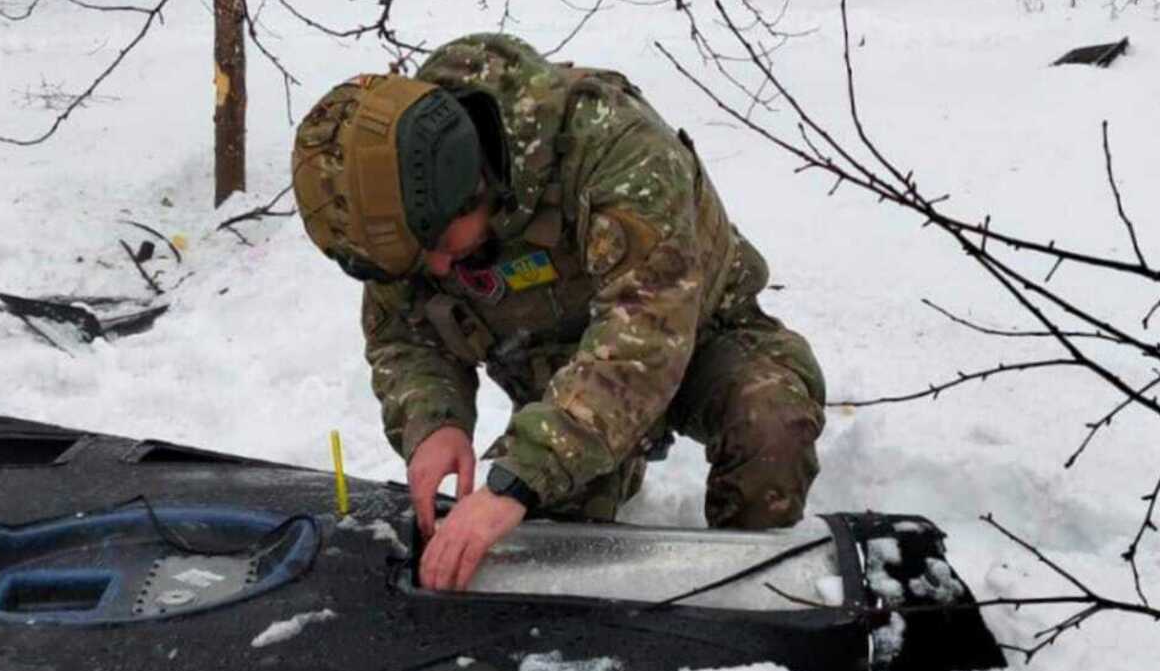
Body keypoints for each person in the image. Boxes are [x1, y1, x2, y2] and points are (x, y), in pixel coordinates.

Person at [290, 33, 827, 591]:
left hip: (698, 339)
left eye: (442, 248)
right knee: (532, 560)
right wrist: (434, 423)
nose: (441, 270)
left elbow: (644, 338)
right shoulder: (404, 199)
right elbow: (404, 334)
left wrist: (521, 477)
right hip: (559, 382)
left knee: (771, 421)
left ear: (473, 184)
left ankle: (744, 596)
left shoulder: (618, 147)